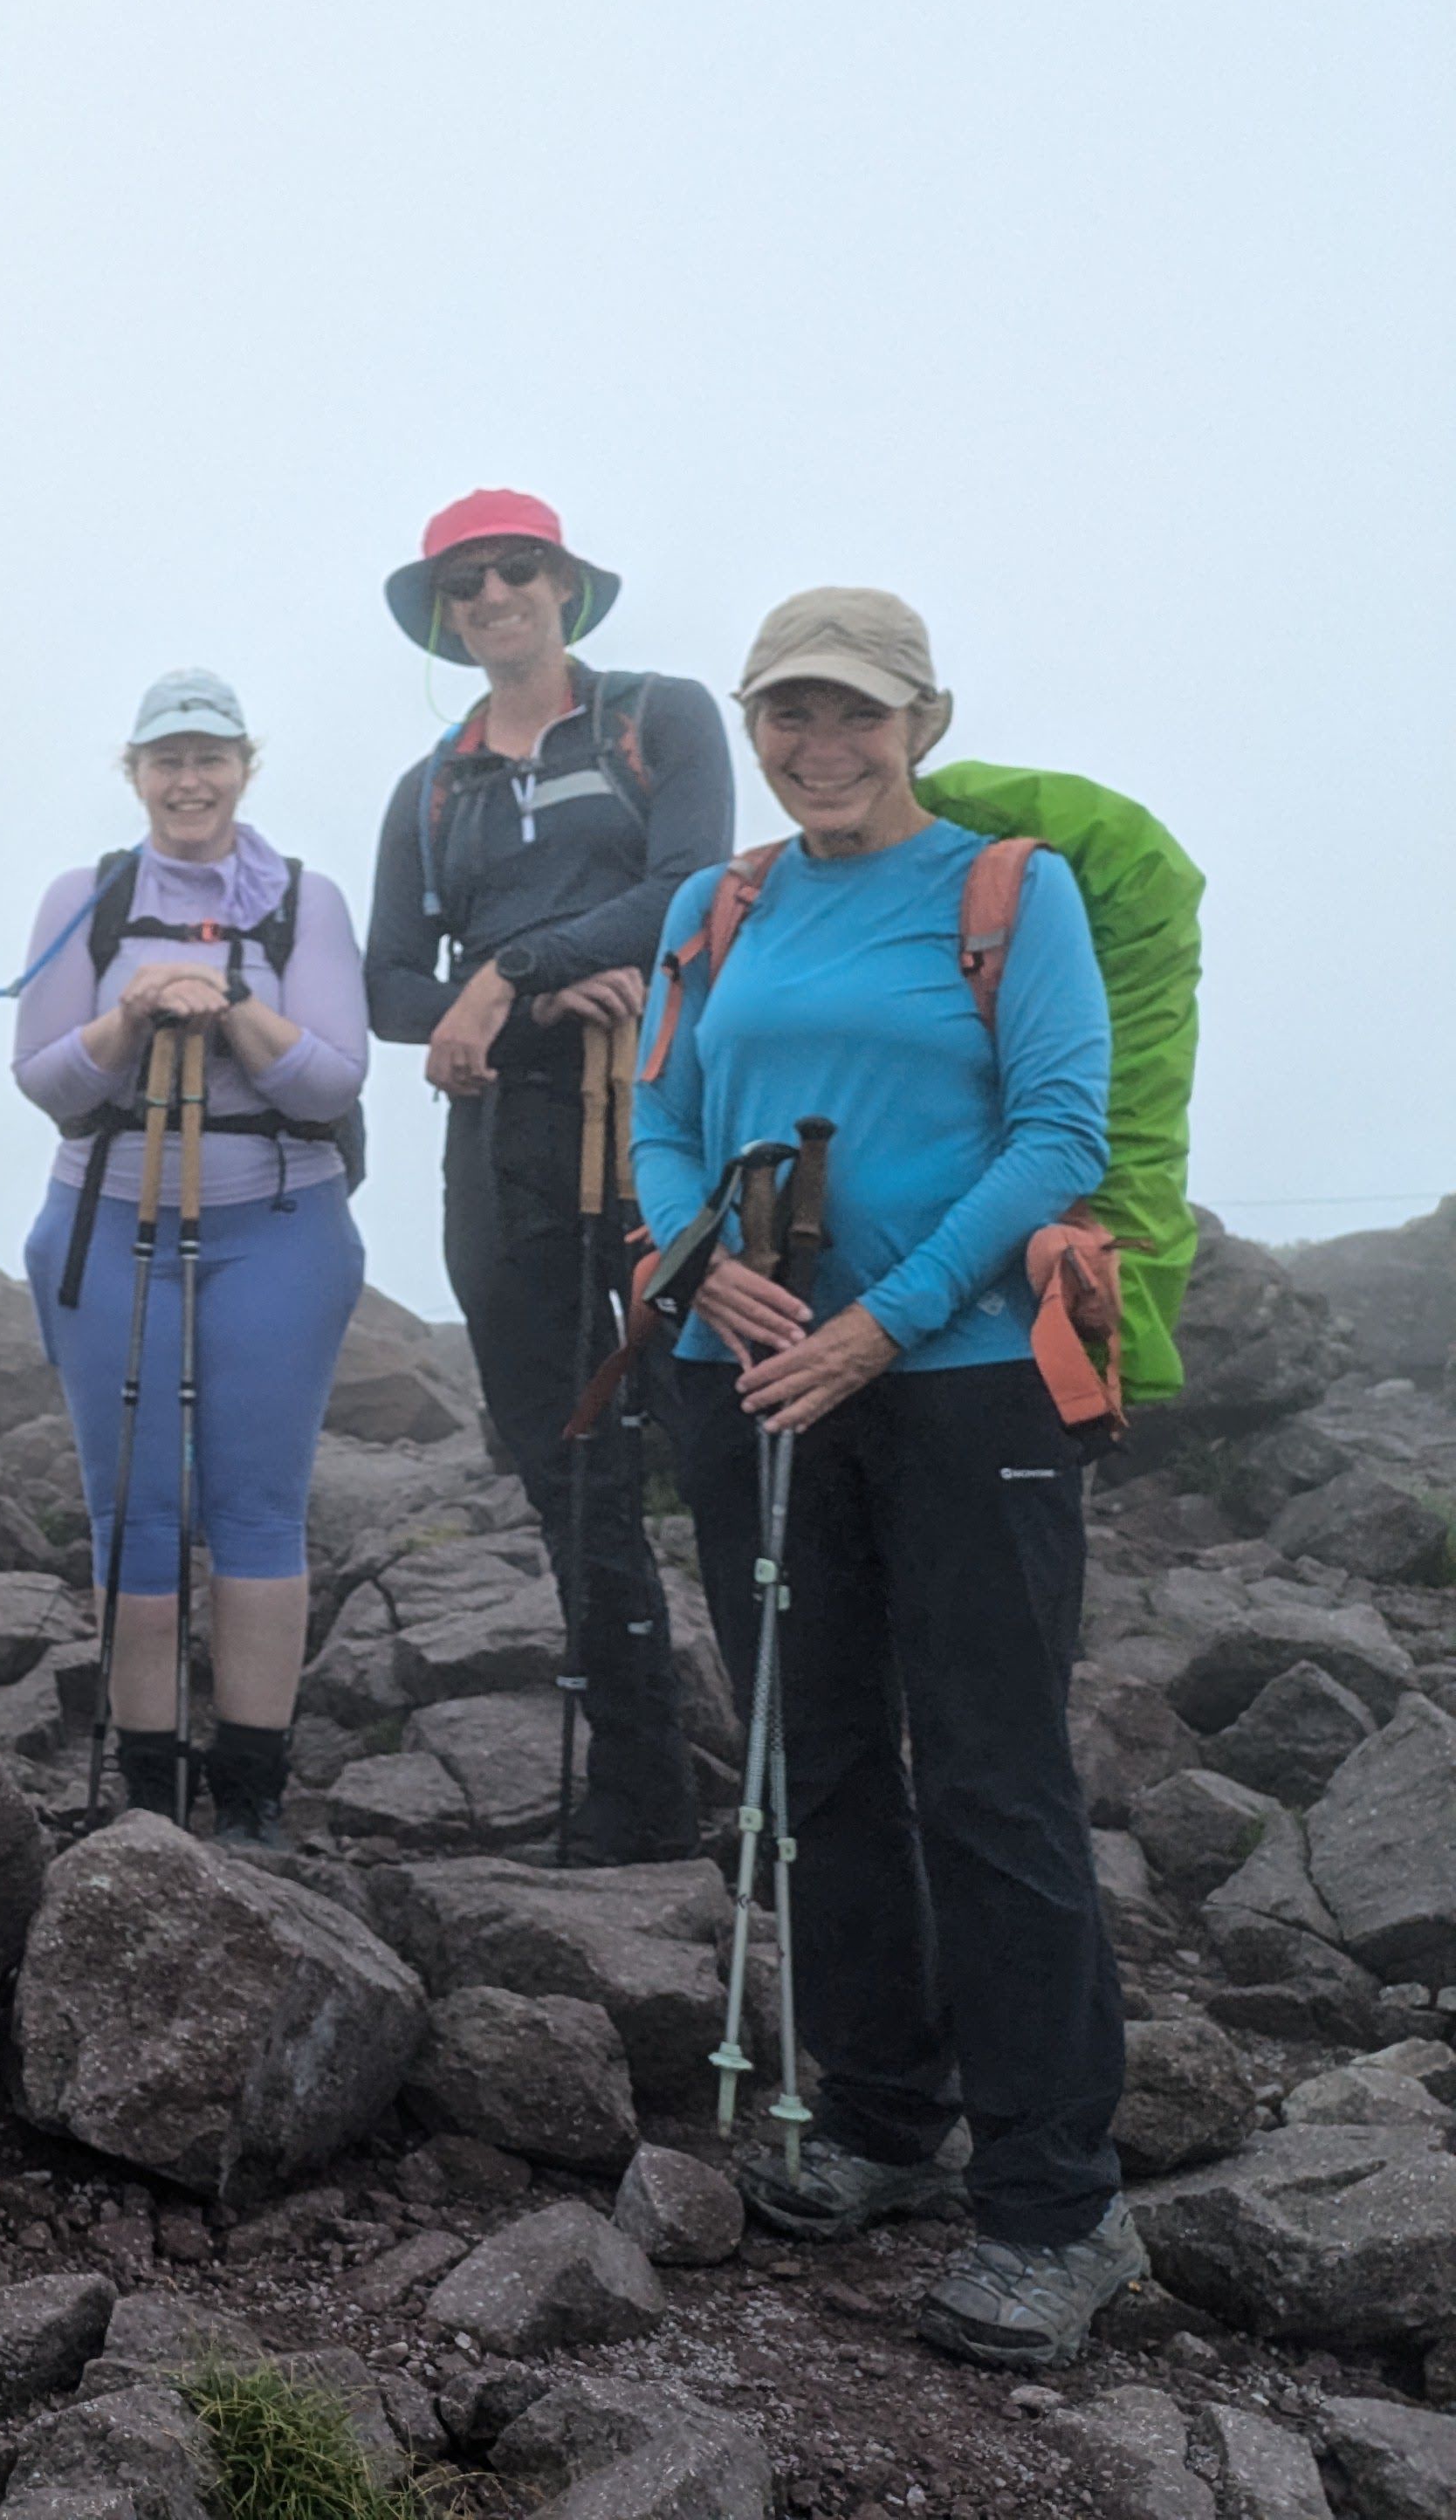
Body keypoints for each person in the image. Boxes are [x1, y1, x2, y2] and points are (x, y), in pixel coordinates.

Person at [635, 587, 1135, 2366]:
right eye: (785, 712)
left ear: (918, 715)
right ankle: (871, 2118)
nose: (814, 745)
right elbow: (661, 1114)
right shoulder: (720, 903)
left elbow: (1055, 1129)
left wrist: (890, 1314)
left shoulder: (1007, 890)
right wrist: (688, 1257)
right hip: (747, 1372)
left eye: (850, 712)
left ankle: (1052, 2202)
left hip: (964, 1382)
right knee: (819, 1752)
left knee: (989, 1773)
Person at [362, 490, 732, 1861]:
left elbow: (696, 888)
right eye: (466, 585)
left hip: (664, 1115)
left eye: (519, 571)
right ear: (445, 615)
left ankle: (796, 1789)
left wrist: (521, 965)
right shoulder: (434, 786)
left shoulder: (659, 717)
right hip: (508, 1144)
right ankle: (644, 1794)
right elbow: (393, 985)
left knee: (715, 1444)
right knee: (564, 1456)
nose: (494, 597)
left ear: (566, 586)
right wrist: (510, 1001)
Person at [10, 671, 370, 1846]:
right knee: (138, 1514)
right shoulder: (88, 897)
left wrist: (228, 1009)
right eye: (167, 760)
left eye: (210, 756)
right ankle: (153, 1794)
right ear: (136, 774)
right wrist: (131, 1017)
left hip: (277, 1227)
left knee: (259, 1509)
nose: (189, 779)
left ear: (244, 767)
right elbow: (45, 1076)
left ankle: (253, 1790)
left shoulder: (306, 902)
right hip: (108, 1224)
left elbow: (332, 1077)